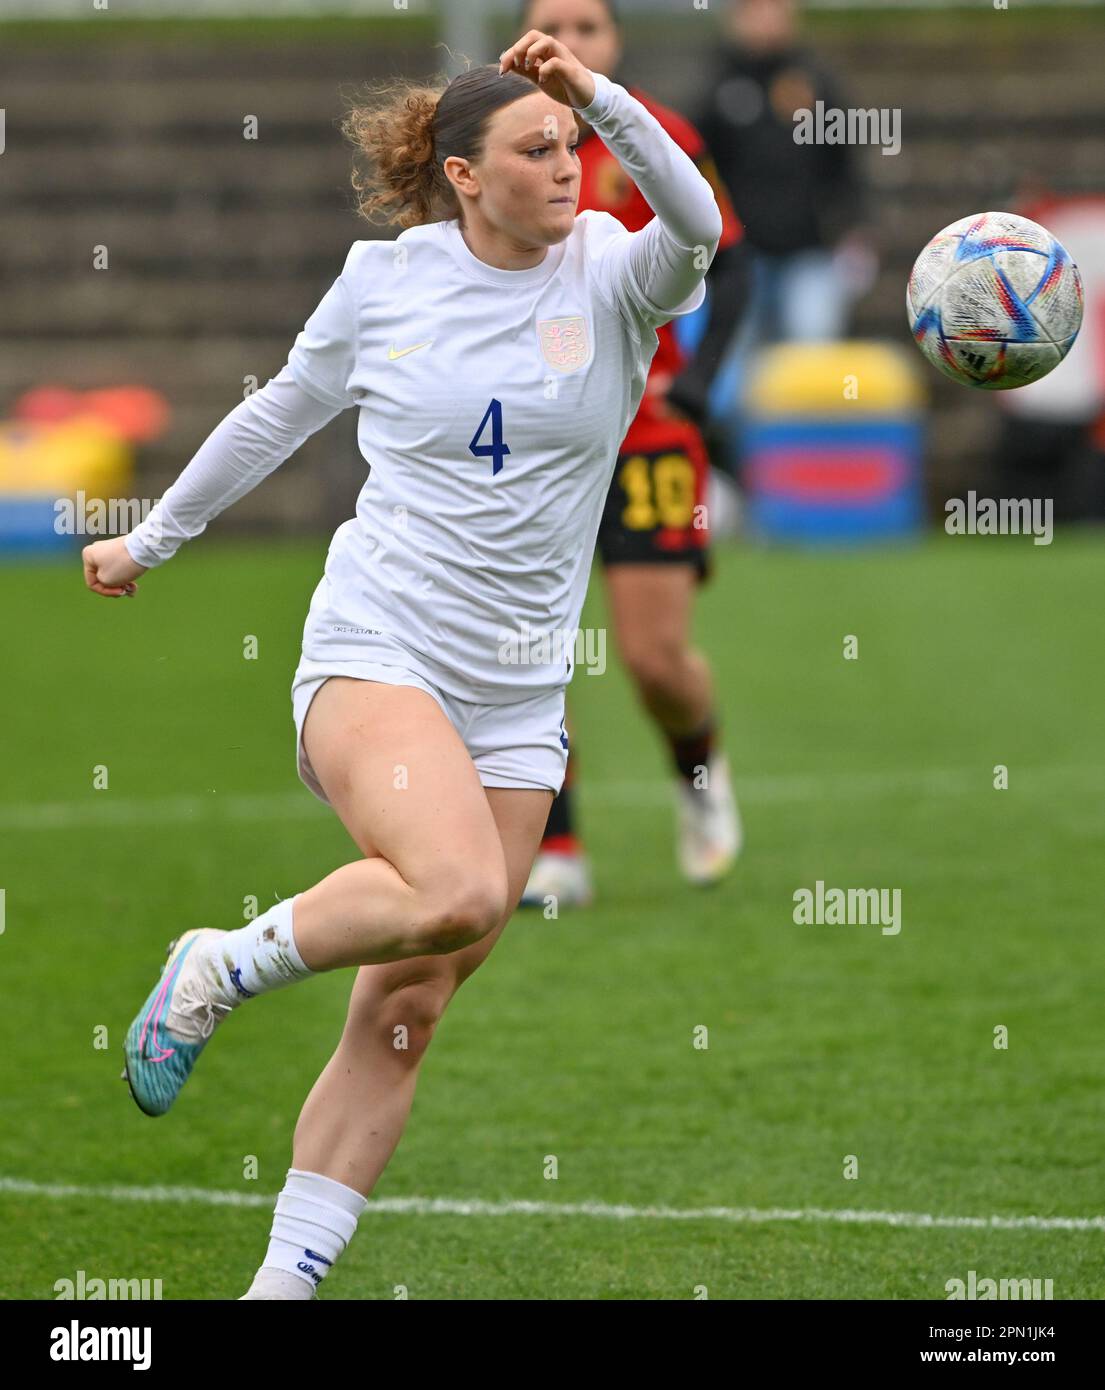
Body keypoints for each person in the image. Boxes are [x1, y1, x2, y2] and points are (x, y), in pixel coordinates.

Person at [81, 28, 722, 1300]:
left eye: (573, 147)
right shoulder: (386, 281)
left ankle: (279, 1289)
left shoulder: (611, 270)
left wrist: (593, 90)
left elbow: (697, 223)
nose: (566, 166)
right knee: (459, 887)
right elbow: (279, 410)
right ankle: (221, 963)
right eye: (535, 149)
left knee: (405, 1011)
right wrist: (150, 537)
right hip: (379, 643)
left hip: (517, 693)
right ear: (463, 175)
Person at [518, 0, 747, 909]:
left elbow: (730, 263)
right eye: (554, 27)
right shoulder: (500, 137)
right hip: (536, 438)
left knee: (654, 660)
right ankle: (557, 846)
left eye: (589, 28)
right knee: (528, 648)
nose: (570, 44)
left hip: (647, 432)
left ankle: (699, 775)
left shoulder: (660, 137)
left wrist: (697, 388)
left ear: (613, 45)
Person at [694, 0, 871, 467]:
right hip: (741, 261)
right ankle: (750, 481)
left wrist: (853, 234)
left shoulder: (817, 83)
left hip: (809, 255)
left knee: (812, 369)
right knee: (736, 380)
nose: (767, 19)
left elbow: (845, 166)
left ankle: (812, 479)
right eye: (754, 10)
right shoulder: (718, 89)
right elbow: (696, 172)